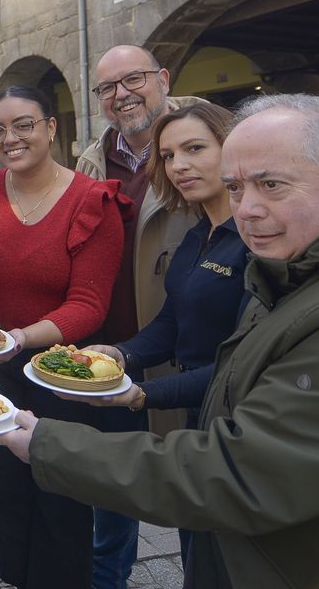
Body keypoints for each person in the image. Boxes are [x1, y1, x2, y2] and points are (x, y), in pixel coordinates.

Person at [0, 94, 319, 588]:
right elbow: (185, 327)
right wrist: (122, 355)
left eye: (272, 184)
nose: (250, 208)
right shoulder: (261, 246)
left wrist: (68, 433)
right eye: (238, 187)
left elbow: (242, 473)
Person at [0, 85, 126, 588]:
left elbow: (89, 305)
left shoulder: (90, 200)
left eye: (24, 125)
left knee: (61, 507)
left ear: (52, 127)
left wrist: (17, 337)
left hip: (60, 376)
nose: (10, 138)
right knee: (5, 500)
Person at [58, 101, 245, 568]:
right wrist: (118, 353)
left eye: (195, 148)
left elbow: (239, 364)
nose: (179, 165)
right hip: (196, 424)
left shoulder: (255, 237)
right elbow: (169, 323)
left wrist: (141, 394)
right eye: (168, 156)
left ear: (234, 147)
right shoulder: (201, 232)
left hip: (240, 427)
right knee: (196, 554)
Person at [76, 44, 220, 588]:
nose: (122, 95)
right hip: (117, 344)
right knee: (111, 494)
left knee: (190, 496)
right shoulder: (92, 161)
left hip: (186, 356)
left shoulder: (203, 142)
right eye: (108, 88)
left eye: (133, 80)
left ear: (161, 78)